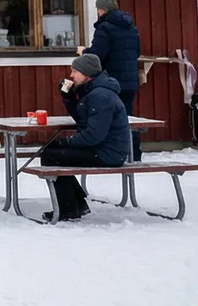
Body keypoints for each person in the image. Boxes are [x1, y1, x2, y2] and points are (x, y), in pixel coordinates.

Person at [38, 54, 132, 221]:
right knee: (52, 152)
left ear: (87, 73)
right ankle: (76, 205)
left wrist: (67, 142)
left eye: (75, 71)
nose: (72, 76)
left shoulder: (100, 95)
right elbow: (83, 120)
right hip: (103, 149)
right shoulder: (93, 91)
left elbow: (94, 135)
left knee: (51, 156)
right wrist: (68, 97)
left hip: (107, 153)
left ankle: (70, 208)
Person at [84, 0, 140, 160]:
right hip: (129, 81)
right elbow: (136, 52)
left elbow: (97, 55)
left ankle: (113, 152)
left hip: (111, 82)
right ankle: (134, 152)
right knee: (128, 118)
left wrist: (84, 52)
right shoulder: (131, 27)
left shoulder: (105, 28)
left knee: (108, 118)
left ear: (102, 9)